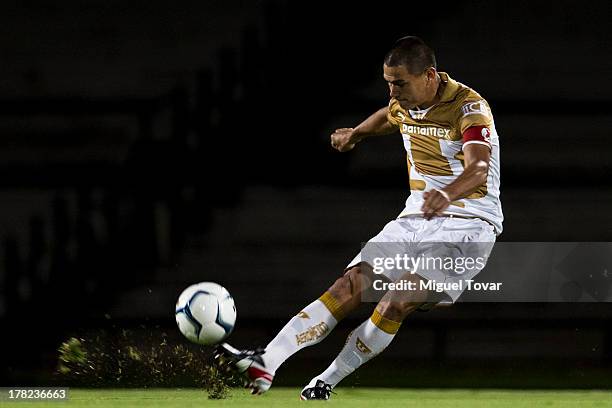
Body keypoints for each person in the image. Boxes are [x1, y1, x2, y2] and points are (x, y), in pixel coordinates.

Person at [215, 36, 503, 400]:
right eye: (388, 83)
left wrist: (446, 193)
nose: (393, 92)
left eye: (399, 83)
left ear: (429, 76)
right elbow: (390, 117)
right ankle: (266, 362)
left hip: (469, 222)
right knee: (349, 285)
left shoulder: (469, 108)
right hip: (415, 217)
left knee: (397, 299)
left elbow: (478, 168)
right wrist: (357, 134)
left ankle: (327, 380)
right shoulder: (405, 102)